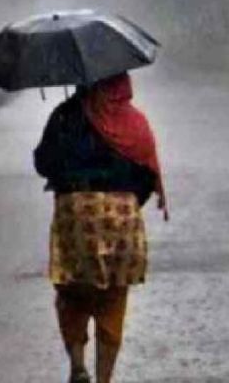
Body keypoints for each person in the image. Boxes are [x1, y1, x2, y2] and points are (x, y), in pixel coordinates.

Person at [34, 72, 168, 383]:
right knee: (113, 298)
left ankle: (78, 366)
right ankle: (105, 379)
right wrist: (123, 202)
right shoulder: (135, 123)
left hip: (76, 216)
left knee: (71, 291)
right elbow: (148, 175)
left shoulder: (67, 116)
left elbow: (42, 162)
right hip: (122, 219)